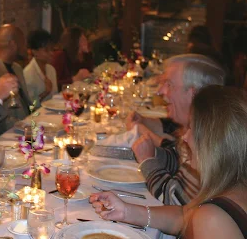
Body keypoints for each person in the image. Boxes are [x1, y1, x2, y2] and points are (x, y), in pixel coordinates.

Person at [91, 85, 247, 238]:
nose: (184, 137)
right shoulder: (235, 185)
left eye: (191, 128)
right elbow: (183, 217)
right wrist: (125, 211)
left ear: (212, 143)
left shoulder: (214, 219)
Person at [127, 54, 225, 205]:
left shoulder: (209, 142)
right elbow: (177, 159)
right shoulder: (202, 128)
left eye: (169, 84)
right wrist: (153, 153)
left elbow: (173, 198)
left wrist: (147, 161)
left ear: (193, 94)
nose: (160, 91)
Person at [0, 24, 32, 126]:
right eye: (23, 43)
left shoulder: (17, 68)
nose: (26, 48)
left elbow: (26, 102)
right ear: (13, 44)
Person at [23, 29, 58, 104]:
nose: (51, 53)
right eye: (46, 50)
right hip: (36, 115)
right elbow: (30, 106)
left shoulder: (51, 69)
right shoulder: (28, 73)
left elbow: (55, 98)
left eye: (52, 49)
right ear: (35, 51)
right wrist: (45, 93)